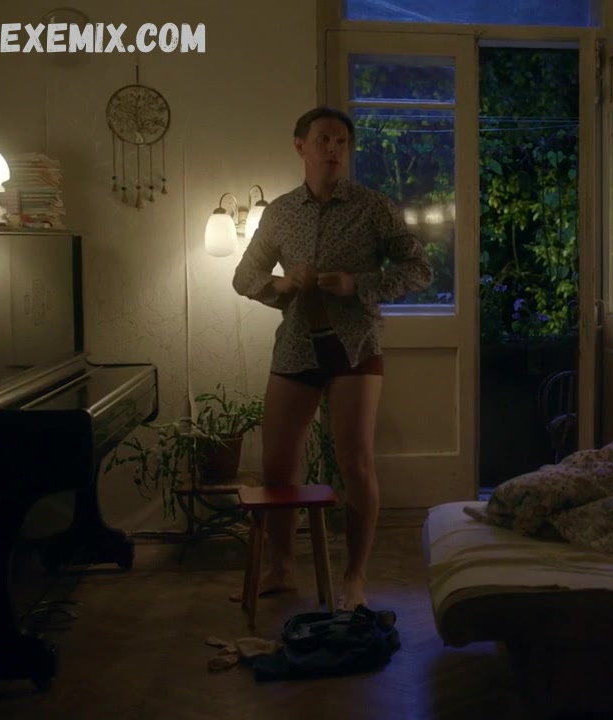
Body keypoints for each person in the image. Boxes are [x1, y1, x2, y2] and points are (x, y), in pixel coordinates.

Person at [231, 107, 433, 611]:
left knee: (356, 464)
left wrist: (357, 284)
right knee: (278, 465)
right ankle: (282, 567)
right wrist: (282, 285)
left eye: (342, 141)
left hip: (355, 348)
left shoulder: (373, 207)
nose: (334, 149)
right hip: (297, 346)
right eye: (324, 139)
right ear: (300, 145)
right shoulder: (280, 212)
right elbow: (244, 276)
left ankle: (354, 578)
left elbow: (419, 268)